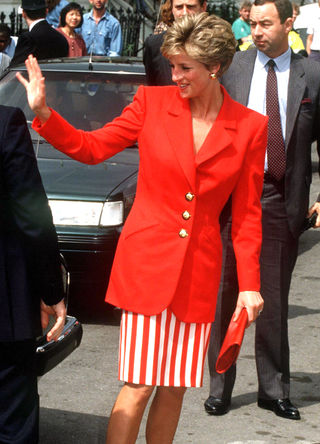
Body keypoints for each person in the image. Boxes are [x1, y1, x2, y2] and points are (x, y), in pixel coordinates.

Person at [18, 12, 267, 443]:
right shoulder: (151, 105)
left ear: (216, 67)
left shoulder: (249, 128)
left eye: (185, 67)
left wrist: (250, 284)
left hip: (198, 276)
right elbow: (93, 148)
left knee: (174, 390)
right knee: (138, 387)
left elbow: (246, 214)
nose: (175, 75)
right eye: (172, 65)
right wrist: (44, 113)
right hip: (147, 268)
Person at [205, 0, 320, 421]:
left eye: (266, 24)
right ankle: (220, 385)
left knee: (270, 298)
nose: (257, 31)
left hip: (279, 196)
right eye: (253, 23)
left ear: (290, 23)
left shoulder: (312, 74)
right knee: (224, 295)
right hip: (230, 197)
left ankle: (273, 390)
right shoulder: (231, 68)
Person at [0, 104, 66, 444]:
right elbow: (31, 212)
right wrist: (52, 290)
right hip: (4, 312)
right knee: (12, 421)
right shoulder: (5, 121)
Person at [143, 0, 207, 86]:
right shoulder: (154, 45)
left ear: (203, 7)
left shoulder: (215, 44)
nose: (184, 13)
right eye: (179, 7)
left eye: (190, 7)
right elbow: (152, 88)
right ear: (172, 9)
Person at [10, 0, 69, 67]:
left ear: (23, 13)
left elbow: (15, 69)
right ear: (46, 11)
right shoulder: (62, 38)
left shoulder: (28, 38)